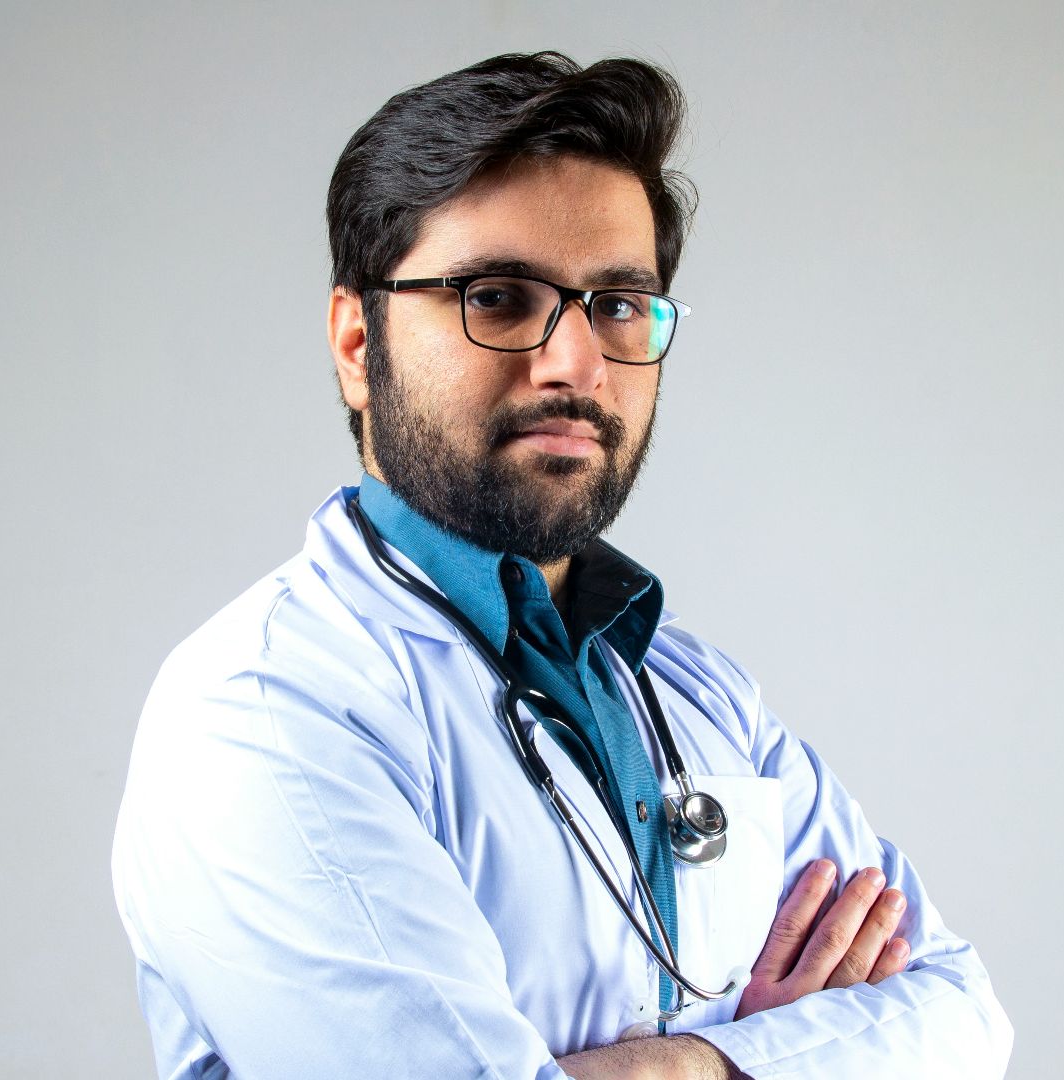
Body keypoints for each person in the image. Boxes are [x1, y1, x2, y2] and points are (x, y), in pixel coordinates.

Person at [111, 51, 1013, 1079]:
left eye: (619, 306)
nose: (575, 364)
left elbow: (964, 1016)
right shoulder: (268, 712)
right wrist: (783, 1052)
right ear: (359, 344)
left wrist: (691, 1068)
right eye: (497, 297)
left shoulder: (699, 694)